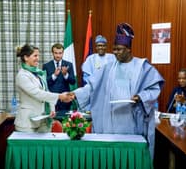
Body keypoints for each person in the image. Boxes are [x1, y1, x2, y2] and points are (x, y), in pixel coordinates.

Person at [70, 23, 164, 159]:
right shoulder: (107, 67)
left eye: (119, 49)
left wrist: (141, 96)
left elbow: (154, 89)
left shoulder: (142, 67)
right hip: (109, 120)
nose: (115, 52)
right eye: (114, 49)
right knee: (111, 156)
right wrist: (75, 94)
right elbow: (91, 86)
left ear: (128, 49)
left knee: (128, 157)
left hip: (131, 121)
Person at [15, 44, 73, 132]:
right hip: (27, 123)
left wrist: (52, 109)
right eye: (35, 56)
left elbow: (46, 90)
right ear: (26, 57)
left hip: (43, 121)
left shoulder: (37, 73)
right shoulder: (22, 75)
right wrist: (59, 96)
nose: (38, 58)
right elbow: (38, 93)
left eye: (38, 55)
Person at [42, 43, 76, 116]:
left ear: (63, 53)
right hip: (52, 100)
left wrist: (65, 75)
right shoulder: (46, 66)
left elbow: (73, 82)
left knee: (65, 123)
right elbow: (44, 83)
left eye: (60, 53)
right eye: (56, 53)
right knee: (53, 124)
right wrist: (54, 75)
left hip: (65, 100)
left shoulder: (69, 64)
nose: (58, 55)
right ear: (52, 53)